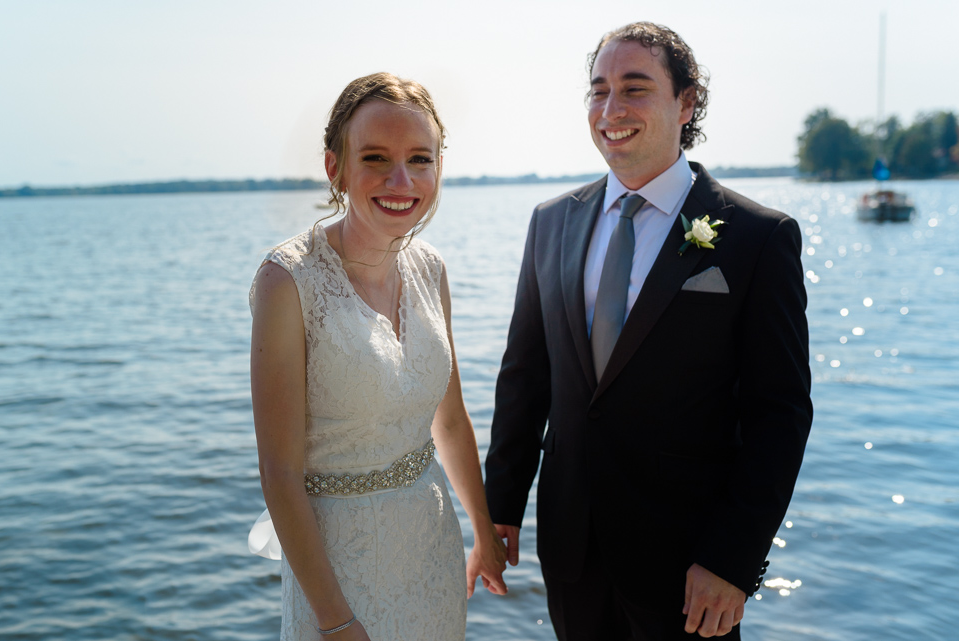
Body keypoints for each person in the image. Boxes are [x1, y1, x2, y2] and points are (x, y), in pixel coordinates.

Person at [484, 22, 813, 640]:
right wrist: (499, 504)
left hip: (691, 565)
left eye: (635, 88)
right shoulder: (551, 222)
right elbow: (526, 375)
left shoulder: (756, 236)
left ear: (687, 103)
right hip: (571, 550)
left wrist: (732, 560)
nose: (611, 110)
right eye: (598, 90)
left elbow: (781, 414)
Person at [249, 72, 507, 640]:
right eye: (375, 158)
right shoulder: (287, 280)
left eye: (420, 158)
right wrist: (335, 620)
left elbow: (450, 420)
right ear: (334, 167)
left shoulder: (430, 267)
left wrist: (483, 533)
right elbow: (280, 471)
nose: (402, 180)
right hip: (338, 570)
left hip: (431, 549)